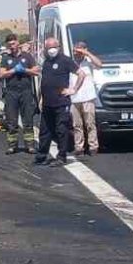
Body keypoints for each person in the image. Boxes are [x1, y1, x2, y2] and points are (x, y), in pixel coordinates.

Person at [34, 37, 83, 167]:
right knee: (45, 131)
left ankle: (61, 156)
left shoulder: (65, 60)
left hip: (61, 103)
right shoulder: (46, 62)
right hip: (47, 103)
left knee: (61, 130)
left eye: (53, 47)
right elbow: (44, 81)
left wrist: (73, 89)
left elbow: (81, 74)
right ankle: (41, 156)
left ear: (58, 47)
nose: (51, 50)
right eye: (48, 47)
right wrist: (41, 98)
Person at [0, 34, 38, 155]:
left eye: (13, 43)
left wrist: (24, 70)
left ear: (17, 42)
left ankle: (30, 146)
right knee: (11, 121)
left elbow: (36, 71)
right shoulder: (6, 58)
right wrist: (14, 70)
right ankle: (12, 146)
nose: (12, 46)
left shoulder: (27, 56)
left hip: (26, 92)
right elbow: (1, 74)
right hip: (11, 93)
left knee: (28, 120)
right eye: (9, 45)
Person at [70, 42, 102, 157]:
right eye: (75, 49)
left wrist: (87, 53)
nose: (76, 52)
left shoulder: (88, 62)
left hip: (88, 97)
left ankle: (93, 146)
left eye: (79, 50)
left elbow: (99, 65)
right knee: (76, 125)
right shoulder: (70, 62)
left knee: (90, 123)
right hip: (74, 98)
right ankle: (79, 147)